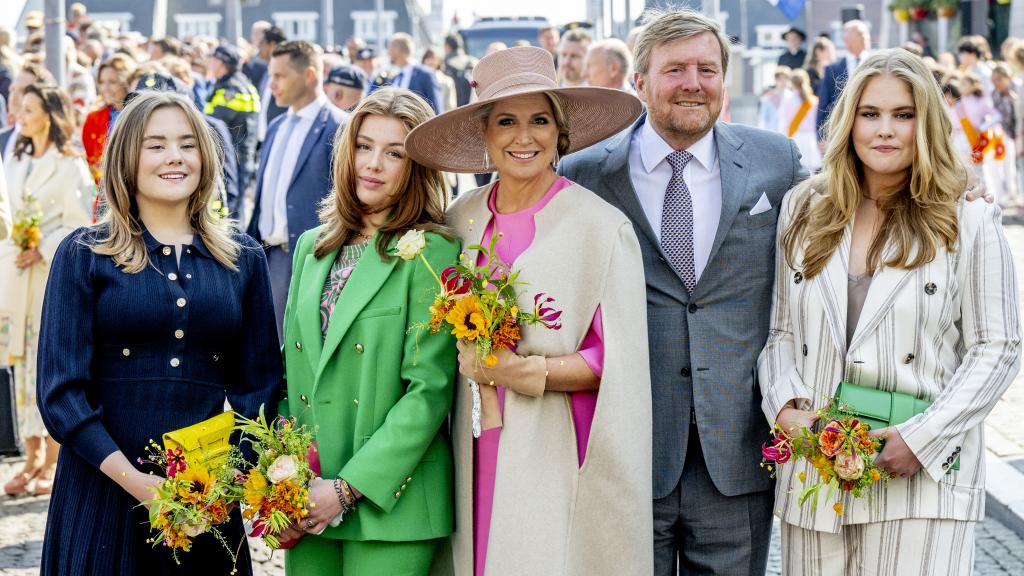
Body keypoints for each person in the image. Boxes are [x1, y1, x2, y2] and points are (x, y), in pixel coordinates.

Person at [558, 9, 808, 574]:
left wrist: (954, 191)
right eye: (675, 70)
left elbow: (845, 211)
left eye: (707, 68)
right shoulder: (584, 174)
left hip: (736, 449)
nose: (693, 83)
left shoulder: (777, 161)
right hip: (624, 449)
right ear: (639, 80)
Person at [760, 48, 1020, 576]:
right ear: (848, 120)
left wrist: (920, 439)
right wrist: (784, 408)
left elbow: (998, 347)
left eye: (903, 115)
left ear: (925, 124)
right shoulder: (805, 209)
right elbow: (781, 331)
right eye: (870, 113)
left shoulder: (966, 219)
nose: (885, 130)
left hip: (921, 482)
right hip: (816, 478)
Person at [406, 45, 652, 576]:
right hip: (467, 446)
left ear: (559, 134)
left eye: (540, 120)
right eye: (507, 122)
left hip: (551, 445)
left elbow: (619, 364)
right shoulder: (459, 219)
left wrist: (522, 371)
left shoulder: (601, 228)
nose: (524, 137)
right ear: (485, 135)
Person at [35, 90, 281, 574]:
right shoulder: (85, 254)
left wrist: (224, 482)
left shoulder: (242, 258)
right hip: (101, 491)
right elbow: (61, 393)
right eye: (157, 144)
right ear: (128, 156)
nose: (175, 157)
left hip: (204, 503)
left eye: (188, 144)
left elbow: (261, 388)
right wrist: (137, 484)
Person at [275, 87, 458, 575]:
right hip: (307, 500)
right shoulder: (312, 247)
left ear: (416, 166)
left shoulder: (431, 252)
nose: (372, 163)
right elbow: (292, 378)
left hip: (388, 503)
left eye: (394, 152)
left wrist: (345, 489)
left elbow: (429, 392)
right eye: (363, 145)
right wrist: (284, 483)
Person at [0, 83, 94, 497]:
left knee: (47, 361)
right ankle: (31, 456)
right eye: (20, 107)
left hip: (49, 276)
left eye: (31, 108)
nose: (22, 114)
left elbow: (80, 226)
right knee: (19, 364)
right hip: (18, 276)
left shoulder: (69, 163)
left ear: (50, 115)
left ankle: (56, 459)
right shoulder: (16, 159)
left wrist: (41, 244)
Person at [248, 40, 346, 339]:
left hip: (313, 260)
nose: (271, 85)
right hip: (268, 257)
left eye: (280, 76)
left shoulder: (339, 127)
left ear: (310, 76)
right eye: (270, 76)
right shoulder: (277, 126)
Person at [204, 43, 260, 195]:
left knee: (232, 213)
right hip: (239, 158)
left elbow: (212, 124)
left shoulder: (231, 89)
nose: (209, 63)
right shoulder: (241, 83)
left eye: (212, 59)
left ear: (221, 63)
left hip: (233, 161)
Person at [83, 53, 136, 192]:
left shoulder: (140, 116)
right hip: (103, 193)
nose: (105, 88)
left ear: (127, 82)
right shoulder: (93, 119)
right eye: (102, 82)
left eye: (112, 82)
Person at [817, 20, 871, 144]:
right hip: (841, 133)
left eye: (866, 34)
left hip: (870, 129)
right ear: (848, 39)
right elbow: (824, 104)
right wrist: (820, 137)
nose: (866, 38)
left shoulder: (878, 65)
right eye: (861, 34)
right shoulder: (832, 69)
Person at [370, 33, 441, 113]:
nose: (388, 53)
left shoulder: (426, 75)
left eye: (389, 49)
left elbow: (437, 110)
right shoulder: (394, 77)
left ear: (397, 50)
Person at [245, 25, 288, 143]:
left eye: (262, 43)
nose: (259, 47)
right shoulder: (267, 71)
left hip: (280, 137)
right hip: (264, 140)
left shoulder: (287, 72)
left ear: (272, 45)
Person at [779, 68, 821, 171]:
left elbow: (784, 122)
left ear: (792, 83)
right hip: (811, 138)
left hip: (795, 138)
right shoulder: (814, 101)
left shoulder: (788, 100)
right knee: (811, 172)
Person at [443, 33, 477, 108]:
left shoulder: (446, 63)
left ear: (447, 47)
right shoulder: (473, 61)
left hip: (455, 107)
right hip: (474, 105)